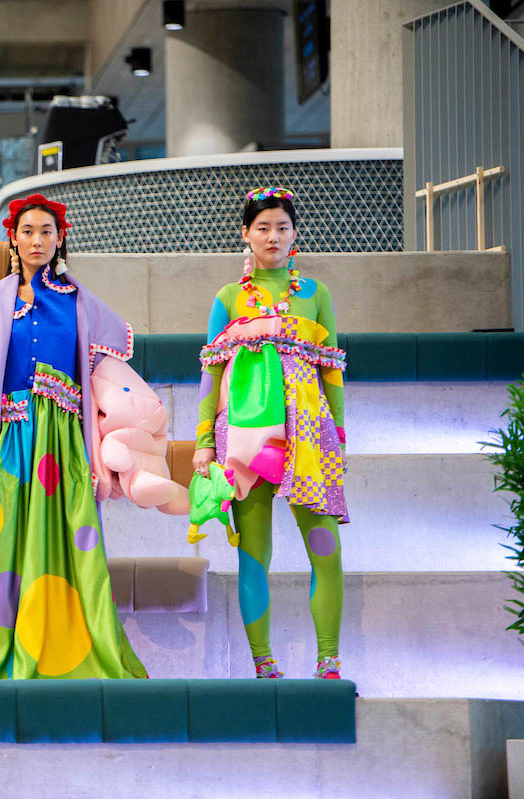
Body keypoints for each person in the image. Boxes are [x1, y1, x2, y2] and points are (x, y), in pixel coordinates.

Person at [0, 193, 148, 680]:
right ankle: (7, 654)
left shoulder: (81, 304)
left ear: (60, 238)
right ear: (12, 237)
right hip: (10, 440)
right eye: (27, 231)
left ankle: (76, 653)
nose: (36, 240)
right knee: (7, 543)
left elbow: (108, 375)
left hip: (66, 443)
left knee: (75, 544)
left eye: (46, 231)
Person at [192, 186, 347, 680]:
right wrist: (202, 443)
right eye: (263, 227)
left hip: (309, 434)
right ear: (246, 234)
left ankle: (328, 659)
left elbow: (333, 372)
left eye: (282, 226)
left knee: (325, 548)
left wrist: (338, 435)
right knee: (254, 555)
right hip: (244, 436)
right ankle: (264, 663)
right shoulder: (227, 298)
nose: (273, 236)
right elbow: (210, 374)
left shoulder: (315, 294)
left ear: (294, 233)